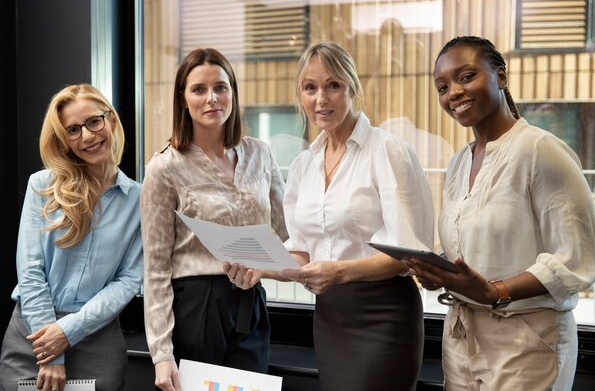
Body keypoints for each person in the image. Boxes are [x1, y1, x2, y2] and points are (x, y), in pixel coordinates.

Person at [226, 41, 434, 391]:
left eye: (333, 85)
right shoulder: (305, 164)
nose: (321, 98)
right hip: (330, 319)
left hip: (383, 316)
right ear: (301, 96)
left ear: (352, 88)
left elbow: (410, 254)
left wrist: (338, 271)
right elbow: (304, 252)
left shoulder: (387, 151)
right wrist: (261, 267)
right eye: (310, 88)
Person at [405, 36, 595, 390]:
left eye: (466, 77)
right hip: (461, 337)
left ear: (501, 77)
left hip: (527, 341)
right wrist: (440, 270)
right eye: (443, 87)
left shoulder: (540, 150)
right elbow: (474, 247)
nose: (454, 93)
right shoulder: (459, 162)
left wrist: (495, 291)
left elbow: (576, 260)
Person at [140, 48, 288, 391]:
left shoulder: (259, 153)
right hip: (197, 307)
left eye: (221, 87)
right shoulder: (164, 167)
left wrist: (268, 267)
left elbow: (286, 234)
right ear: (183, 98)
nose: (212, 98)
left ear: (233, 92)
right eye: (199, 89)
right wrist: (161, 355)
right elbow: (156, 268)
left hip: (251, 300)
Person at [0, 84, 144, 391]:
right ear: (64, 139)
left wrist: (67, 331)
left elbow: (129, 280)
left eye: (94, 121)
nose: (88, 136)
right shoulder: (41, 186)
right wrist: (51, 354)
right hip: (33, 338)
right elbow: (30, 271)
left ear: (112, 121)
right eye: (73, 130)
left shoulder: (139, 199)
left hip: (98, 337)